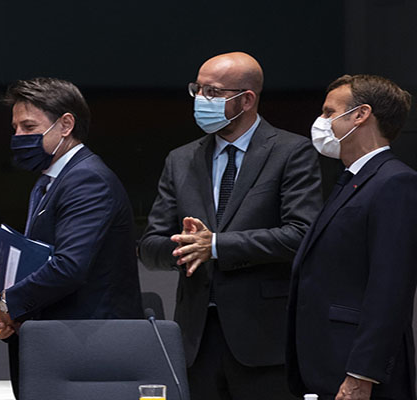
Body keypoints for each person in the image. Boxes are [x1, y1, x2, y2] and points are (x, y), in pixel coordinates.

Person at [138, 52, 322, 400]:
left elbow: (301, 234)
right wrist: (185, 246)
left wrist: (217, 246)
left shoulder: (291, 152)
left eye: (213, 92)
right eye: (197, 89)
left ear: (247, 99)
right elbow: (150, 247)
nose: (200, 100)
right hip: (196, 340)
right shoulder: (181, 159)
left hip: (264, 339)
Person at [0, 77, 143, 397]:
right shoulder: (50, 181)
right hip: (58, 346)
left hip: (87, 351)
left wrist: (7, 304)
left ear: (66, 124)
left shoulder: (87, 179)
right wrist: (12, 320)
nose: (18, 137)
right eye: (15, 129)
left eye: (28, 127)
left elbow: (68, 266)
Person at [287, 75, 417, 400]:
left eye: (329, 112)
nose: (322, 122)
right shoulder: (352, 180)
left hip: (358, 376)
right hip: (324, 366)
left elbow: (390, 289)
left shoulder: (395, 182)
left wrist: (362, 374)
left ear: (360, 115)